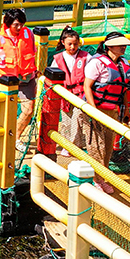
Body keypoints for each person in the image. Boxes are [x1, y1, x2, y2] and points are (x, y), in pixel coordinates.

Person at [82, 31, 130, 193]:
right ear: (109, 47)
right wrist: (93, 110)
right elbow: (87, 86)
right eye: (120, 45)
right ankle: (96, 179)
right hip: (96, 109)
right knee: (96, 146)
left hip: (113, 110)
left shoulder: (123, 62)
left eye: (124, 45)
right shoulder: (97, 63)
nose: (123, 47)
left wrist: (125, 109)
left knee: (108, 146)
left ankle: (102, 177)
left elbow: (125, 88)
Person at [0, 8, 37, 152]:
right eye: (16, 24)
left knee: (29, 110)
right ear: (8, 24)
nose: (19, 27)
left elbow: (32, 51)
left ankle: (15, 136)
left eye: (21, 24)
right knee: (6, 111)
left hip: (27, 77)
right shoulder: (0, 37)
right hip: (7, 79)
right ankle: (3, 136)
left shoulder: (29, 34)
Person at [48, 27, 90, 160]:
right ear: (63, 43)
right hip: (64, 93)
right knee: (66, 120)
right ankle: (66, 144)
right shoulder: (58, 58)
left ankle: (72, 146)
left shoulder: (86, 57)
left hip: (80, 93)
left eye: (75, 44)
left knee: (77, 118)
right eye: (69, 44)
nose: (72, 47)